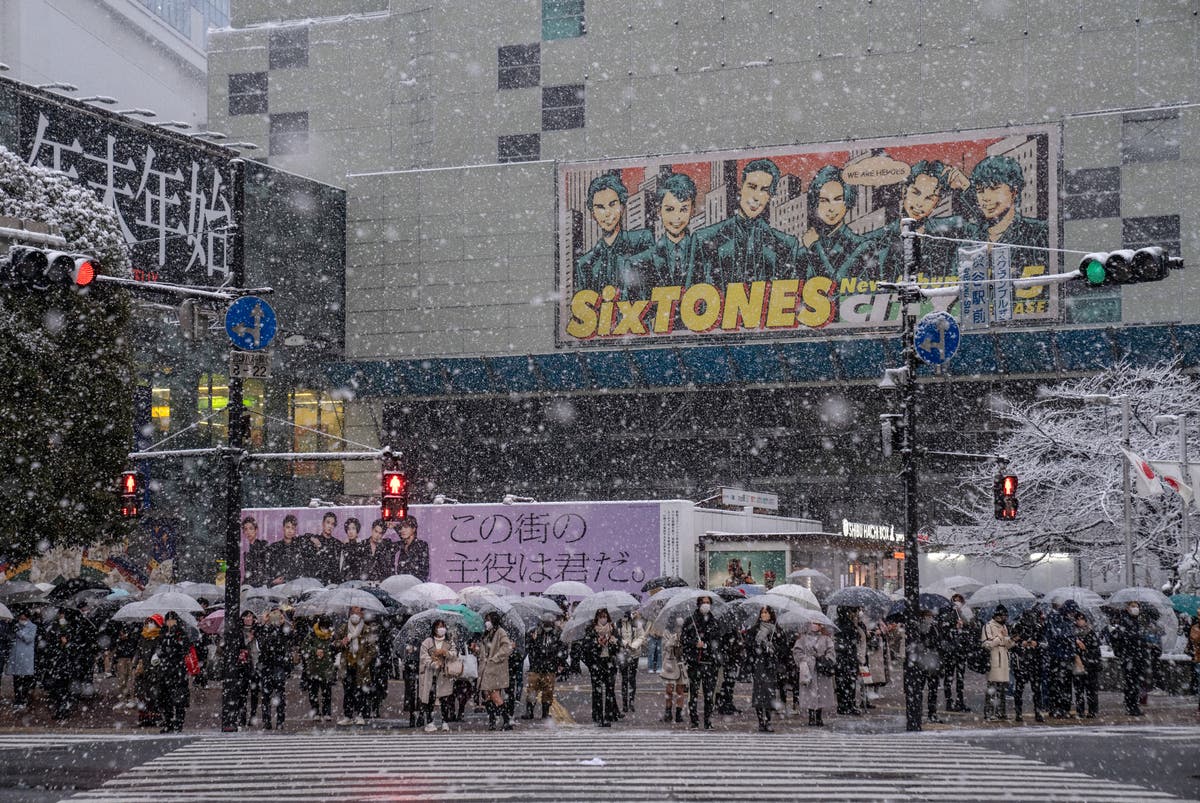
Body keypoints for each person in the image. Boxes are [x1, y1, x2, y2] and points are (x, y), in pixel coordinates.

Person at [694, 158, 805, 286]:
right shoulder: (704, 238)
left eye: (764, 190)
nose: (756, 197)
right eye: (752, 187)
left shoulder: (786, 245)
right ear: (741, 188)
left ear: (770, 196)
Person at [573, 173, 656, 296]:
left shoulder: (642, 239)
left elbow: (654, 287)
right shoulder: (585, 263)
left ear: (622, 207)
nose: (607, 213)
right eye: (600, 207)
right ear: (593, 214)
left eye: (612, 204)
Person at [802, 165, 876, 281]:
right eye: (824, 201)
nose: (831, 208)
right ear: (816, 204)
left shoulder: (862, 246)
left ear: (847, 202)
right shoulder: (807, 246)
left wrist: (814, 248)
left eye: (837, 199)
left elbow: (839, 286)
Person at [651, 172, 703, 288]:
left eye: (683, 209)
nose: (677, 217)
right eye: (670, 209)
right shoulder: (648, 258)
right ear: (659, 210)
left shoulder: (702, 253)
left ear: (693, 210)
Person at [681, 595, 722, 730]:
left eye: (708, 602)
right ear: (698, 604)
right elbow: (684, 640)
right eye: (703, 602)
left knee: (709, 694)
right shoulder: (690, 620)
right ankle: (694, 720)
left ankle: (708, 720)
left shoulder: (714, 621)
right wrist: (694, 643)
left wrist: (707, 645)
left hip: (710, 663)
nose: (706, 605)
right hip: (695, 663)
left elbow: (718, 641)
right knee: (693, 693)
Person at [746, 605, 786, 732]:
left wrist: (773, 647)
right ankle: (760, 721)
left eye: (766, 613)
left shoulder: (777, 630)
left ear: (771, 615)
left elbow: (784, 648)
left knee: (770, 694)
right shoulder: (754, 630)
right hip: (758, 664)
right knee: (758, 693)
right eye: (762, 612)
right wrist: (759, 646)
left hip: (770, 665)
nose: (764, 615)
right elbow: (749, 646)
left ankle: (768, 721)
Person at [337, 605, 377, 725]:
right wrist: (341, 643)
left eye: (358, 612)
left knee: (360, 691)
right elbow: (335, 643)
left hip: (361, 666)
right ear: (349, 613)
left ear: (361, 615)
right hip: (347, 664)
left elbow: (373, 649)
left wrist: (365, 661)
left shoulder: (366, 629)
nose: (355, 614)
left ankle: (360, 714)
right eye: (353, 611)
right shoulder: (344, 628)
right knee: (348, 691)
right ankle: (348, 715)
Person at [581, 608, 620, 727]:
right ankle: (598, 715)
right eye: (601, 616)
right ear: (597, 618)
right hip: (597, 664)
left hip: (610, 663)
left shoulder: (613, 630)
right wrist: (597, 643)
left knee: (610, 690)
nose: (603, 619)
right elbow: (586, 648)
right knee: (597, 691)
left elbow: (619, 648)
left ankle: (608, 715)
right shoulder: (591, 630)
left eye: (605, 616)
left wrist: (613, 643)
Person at [418, 618, 459, 732]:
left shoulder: (449, 642)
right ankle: (430, 721)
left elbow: (455, 654)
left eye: (443, 626)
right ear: (434, 628)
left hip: (444, 675)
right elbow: (423, 656)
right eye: (439, 627)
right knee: (429, 698)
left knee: (445, 698)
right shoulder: (427, 642)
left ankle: (445, 722)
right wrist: (433, 663)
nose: (441, 629)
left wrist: (445, 653)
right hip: (430, 674)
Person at [1109, 600, 1149, 716]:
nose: (1135, 608)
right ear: (1127, 608)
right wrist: (1122, 651)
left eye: (1137, 606)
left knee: (1135, 683)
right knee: (1131, 683)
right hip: (1130, 657)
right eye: (1133, 606)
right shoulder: (1124, 621)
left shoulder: (1137, 622)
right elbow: (1117, 637)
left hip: (1137, 657)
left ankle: (1132, 705)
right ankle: (1131, 706)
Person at [477, 610, 515, 731]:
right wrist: (477, 650)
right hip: (486, 669)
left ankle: (506, 719)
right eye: (486, 620)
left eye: (489, 620)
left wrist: (495, 658)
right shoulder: (488, 633)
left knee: (494, 695)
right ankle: (492, 720)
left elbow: (507, 647)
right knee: (487, 695)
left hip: (494, 668)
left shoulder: (500, 632)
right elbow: (485, 651)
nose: (486, 622)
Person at [793, 622, 836, 726]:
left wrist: (824, 659)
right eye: (813, 623)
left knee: (821, 692)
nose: (815, 625)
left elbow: (831, 652)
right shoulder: (802, 639)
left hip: (821, 669)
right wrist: (806, 660)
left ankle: (819, 716)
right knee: (809, 692)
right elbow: (797, 652)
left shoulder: (826, 638)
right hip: (809, 670)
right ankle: (811, 715)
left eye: (817, 623)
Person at [523, 614, 564, 720]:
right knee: (532, 690)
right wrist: (533, 640)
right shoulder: (534, 632)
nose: (547, 625)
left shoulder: (557, 633)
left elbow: (562, 650)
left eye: (549, 623)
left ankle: (545, 712)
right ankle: (529, 711)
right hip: (536, 667)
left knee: (548, 691)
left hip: (550, 667)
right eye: (545, 623)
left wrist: (558, 661)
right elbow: (529, 648)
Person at [258, 607, 293, 729]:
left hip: (279, 665)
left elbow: (289, 639)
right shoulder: (265, 629)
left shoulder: (283, 630)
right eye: (273, 614)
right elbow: (261, 643)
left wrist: (283, 624)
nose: (275, 617)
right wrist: (264, 623)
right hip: (267, 665)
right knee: (266, 695)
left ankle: (280, 721)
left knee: (280, 695)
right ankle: (267, 721)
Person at [1044, 600, 1079, 718]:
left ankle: (1065, 708)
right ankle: (1055, 708)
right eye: (1071, 611)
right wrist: (1068, 637)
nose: (1073, 614)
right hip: (1056, 656)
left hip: (1067, 656)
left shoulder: (1069, 620)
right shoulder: (1054, 618)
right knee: (1056, 683)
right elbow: (1054, 635)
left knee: (1067, 684)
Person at [156, 611, 190, 733]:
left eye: (172, 620)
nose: (170, 623)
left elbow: (185, 649)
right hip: (165, 671)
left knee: (179, 699)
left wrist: (174, 645)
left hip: (178, 671)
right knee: (165, 699)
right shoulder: (162, 633)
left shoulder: (181, 633)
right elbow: (159, 649)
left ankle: (179, 724)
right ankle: (168, 723)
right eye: (168, 620)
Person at [1010, 607, 1046, 723]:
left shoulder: (1038, 627)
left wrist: (1037, 644)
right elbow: (1011, 643)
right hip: (1021, 662)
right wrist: (1021, 644)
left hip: (1035, 661)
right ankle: (1019, 713)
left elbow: (1045, 643)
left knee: (1036, 689)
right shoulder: (1017, 627)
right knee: (1020, 689)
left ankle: (1037, 712)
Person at [909, 608, 943, 722]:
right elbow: (919, 643)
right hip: (923, 661)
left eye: (931, 615)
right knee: (920, 687)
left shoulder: (935, 626)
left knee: (933, 689)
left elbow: (938, 642)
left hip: (932, 661)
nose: (930, 617)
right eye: (928, 615)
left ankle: (932, 713)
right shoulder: (919, 627)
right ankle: (918, 711)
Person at [937, 594, 970, 712]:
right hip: (950, 651)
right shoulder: (947, 614)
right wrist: (953, 626)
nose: (957, 603)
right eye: (955, 601)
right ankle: (949, 701)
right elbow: (943, 629)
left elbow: (969, 627)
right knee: (949, 677)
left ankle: (960, 701)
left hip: (961, 651)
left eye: (959, 601)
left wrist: (962, 624)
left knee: (960, 678)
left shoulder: (961, 614)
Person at [982, 605, 1014, 721]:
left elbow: (1009, 645)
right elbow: (986, 644)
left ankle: (1001, 712)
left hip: (1004, 659)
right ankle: (989, 712)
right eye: (1003, 616)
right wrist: (999, 637)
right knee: (992, 687)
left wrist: (1009, 638)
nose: (1005, 618)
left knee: (1002, 688)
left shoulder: (1005, 627)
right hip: (994, 659)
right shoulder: (988, 626)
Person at [302, 614, 337, 722]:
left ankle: (327, 712)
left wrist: (336, 646)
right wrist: (315, 651)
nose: (325, 629)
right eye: (323, 627)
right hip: (314, 668)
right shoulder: (312, 635)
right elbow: (304, 647)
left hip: (327, 668)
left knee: (327, 692)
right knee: (313, 692)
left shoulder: (332, 635)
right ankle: (315, 711)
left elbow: (335, 649)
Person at [133, 614, 164, 728]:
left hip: (154, 671)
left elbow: (159, 653)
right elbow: (138, 651)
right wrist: (135, 664)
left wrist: (155, 664)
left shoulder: (159, 637)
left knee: (153, 696)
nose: (149, 624)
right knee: (142, 695)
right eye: (148, 622)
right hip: (142, 672)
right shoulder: (143, 636)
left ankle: (155, 717)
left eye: (152, 622)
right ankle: (144, 718)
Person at [233, 611, 261, 727]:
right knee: (242, 693)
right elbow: (236, 646)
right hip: (244, 666)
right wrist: (247, 640)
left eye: (250, 616)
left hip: (256, 664)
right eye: (246, 616)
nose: (248, 619)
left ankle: (253, 716)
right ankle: (242, 716)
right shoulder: (239, 631)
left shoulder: (258, 630)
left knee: (255, 693)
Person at [833, 606, 862, 715]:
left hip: (842, 658)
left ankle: (843, 705)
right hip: (847, 657)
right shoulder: (848, 625)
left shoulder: (837, 623)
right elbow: (852, 640)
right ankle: (849, 705)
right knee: (849, 683)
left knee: (842, 683)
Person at [1072, 611, 1101, 719]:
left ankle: (1092, 710)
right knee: (1079, 689)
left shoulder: (1091, 633)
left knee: (1091, 690)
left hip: (1090, 665)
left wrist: (1085, 649)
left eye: (1082, 619)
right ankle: (1080, 711)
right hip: (1079, 664)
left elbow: (1096, 650)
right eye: (1078, 619)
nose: (1080, 621)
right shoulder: (1073, 634)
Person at [617, 610, 646, 714]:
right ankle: (625, 703)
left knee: (632, 678)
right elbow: (616, 637)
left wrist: (634, 645)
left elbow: (641, 636)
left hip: (634, 653)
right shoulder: (617, 624)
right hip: (623, 655)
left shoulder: (636, 623)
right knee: (624, 678)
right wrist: (624, 643)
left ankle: (631, 701)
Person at [660, 617, 688, 723]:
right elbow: (665, 646)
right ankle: (668, 713)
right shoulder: (667, 632)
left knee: (680, 690)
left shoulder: (686, 631)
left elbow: (687, 646)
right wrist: (673, 640)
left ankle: (679, 713)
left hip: (681, 663)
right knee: (669, 689)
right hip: (670, 663)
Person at [7, 610, 35, 711]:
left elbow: (28, 639)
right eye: (20, 618)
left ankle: (24, 699)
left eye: (23, 619)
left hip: (26, 657)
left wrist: (19, 632)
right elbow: (10, 638)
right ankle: (17, 699)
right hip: (16, 657)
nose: (21, 620)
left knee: (25, 680)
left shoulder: (32, 627)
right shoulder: (16, 625)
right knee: (16, 680)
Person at [304, 512, 343, 584]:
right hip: (317, 581)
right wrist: (310, 537)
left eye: (332, 524)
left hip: (333, 582)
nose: (330, 526)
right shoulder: (315, 539)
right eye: (328, 522)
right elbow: (301, 538)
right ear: (323, 523)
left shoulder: (337, 544)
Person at [267, 515, 306, 585]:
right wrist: (272, 581)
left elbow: (301, 570)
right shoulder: (274, 547)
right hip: (278, 588)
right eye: (288, 527)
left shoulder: (300, 547)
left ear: (295, 530)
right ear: (283, 528)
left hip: (296, 587)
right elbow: (268, 569)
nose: (290, 531)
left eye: (292, 528)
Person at [111, 620, 140, 710]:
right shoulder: (119, 627)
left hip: (131, 658)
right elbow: (115, 646)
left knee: (131, 680)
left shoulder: (135, 631)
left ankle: (132, 699)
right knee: (122, 680)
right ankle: (124, 699)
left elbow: (136, 646)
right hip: (121, 658)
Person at [393, 517, 430, 582]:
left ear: (413, 529)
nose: (403, 530)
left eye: (406, 527)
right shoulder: (402, 545)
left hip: (416, 586)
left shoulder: (421, 545)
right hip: (402, 586)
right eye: (401, 528)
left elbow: (424, 571)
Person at [242, 516, 270, 588]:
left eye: (251, 528)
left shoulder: (263, 545)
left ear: (256, 530)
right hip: (250, 586)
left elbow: (265, 568)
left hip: (261, 586)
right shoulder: (246, 551)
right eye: (246, 529)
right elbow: (248, 573)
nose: (248, 532)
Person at [339, 517, 365, 582]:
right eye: (348, 529)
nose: (350, 531)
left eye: (353, 528)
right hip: (346, 579)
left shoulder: (362, 545)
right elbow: (342, 564)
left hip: (359, 579)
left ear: (357, 530)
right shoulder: (343, 546)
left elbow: (362, 564)